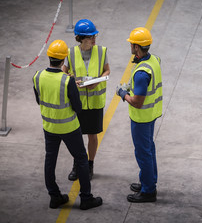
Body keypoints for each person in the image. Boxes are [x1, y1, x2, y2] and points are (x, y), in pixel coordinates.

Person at [33, 40, 102, 210]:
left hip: (49, 127)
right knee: (82, 160)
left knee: (50, 160)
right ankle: (86, 198)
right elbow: (78, 108)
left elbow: (38, 100)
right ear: (64, 59)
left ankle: (54, 197)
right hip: (69, 128)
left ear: (49, 57)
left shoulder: (37, 76)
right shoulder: (67, 81)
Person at [116, 27, 162, 203]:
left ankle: (148, 191)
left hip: (142, 118)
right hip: (152, 114)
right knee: (149, 148)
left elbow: (137, 102)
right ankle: (149, 180)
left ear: (136, 47)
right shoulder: (154, 60)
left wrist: (123, 93)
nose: (131, 47)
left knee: (143, 153)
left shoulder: (142, 73)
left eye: (132, 44)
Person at [62, 19, 110, 181]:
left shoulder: (102, 51)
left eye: (94, 36)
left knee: (92, 136)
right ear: (81, 38)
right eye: (90, 37)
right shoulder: (71, 53)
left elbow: (107, 71)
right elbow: (63, 74)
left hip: (95, 103)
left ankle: (89, 165)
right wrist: (72, 81)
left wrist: (97, 80)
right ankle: (77, 164)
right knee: (76, 136)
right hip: (78, 103)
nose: (94, 39)